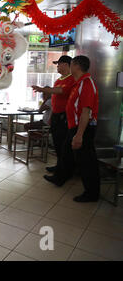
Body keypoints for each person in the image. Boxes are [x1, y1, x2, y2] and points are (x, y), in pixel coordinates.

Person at [43, 55, 100, 203]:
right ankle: (60, 178)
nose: (70, 67)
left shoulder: (86, 84)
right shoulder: (79, 83)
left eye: (72, 64)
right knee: (67, 154)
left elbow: (86, 111)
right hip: (73, 127)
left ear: (76, 66)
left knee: (87, 161)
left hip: (83, 128)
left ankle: (91, 193)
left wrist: (79, 135)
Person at [32, 55, 75, 173]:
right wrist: (52, 117)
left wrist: (42, 89)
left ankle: (64, 170)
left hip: (64, 116)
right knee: (57, 143)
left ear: (66, 65)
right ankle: (59, 166)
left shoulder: (71, 79)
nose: (57, 66)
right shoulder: (58, 80)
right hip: (56, 116)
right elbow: (55, 96)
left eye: (59, 64)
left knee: (63, 144)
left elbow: (60, 91)